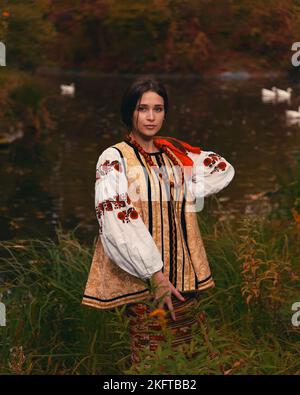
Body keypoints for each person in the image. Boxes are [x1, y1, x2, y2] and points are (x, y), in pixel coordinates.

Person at [82, 75, 235, 366]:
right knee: (153, 357)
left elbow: (223, 169)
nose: (151, 117)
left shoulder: (172, 158)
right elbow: (116, 219)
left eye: (158, 108)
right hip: (145, 278)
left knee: (188, 356)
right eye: (143, 109)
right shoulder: (114, 157)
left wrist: (179, 149)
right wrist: (155, 274)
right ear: (130, 112)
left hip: (182, 274)